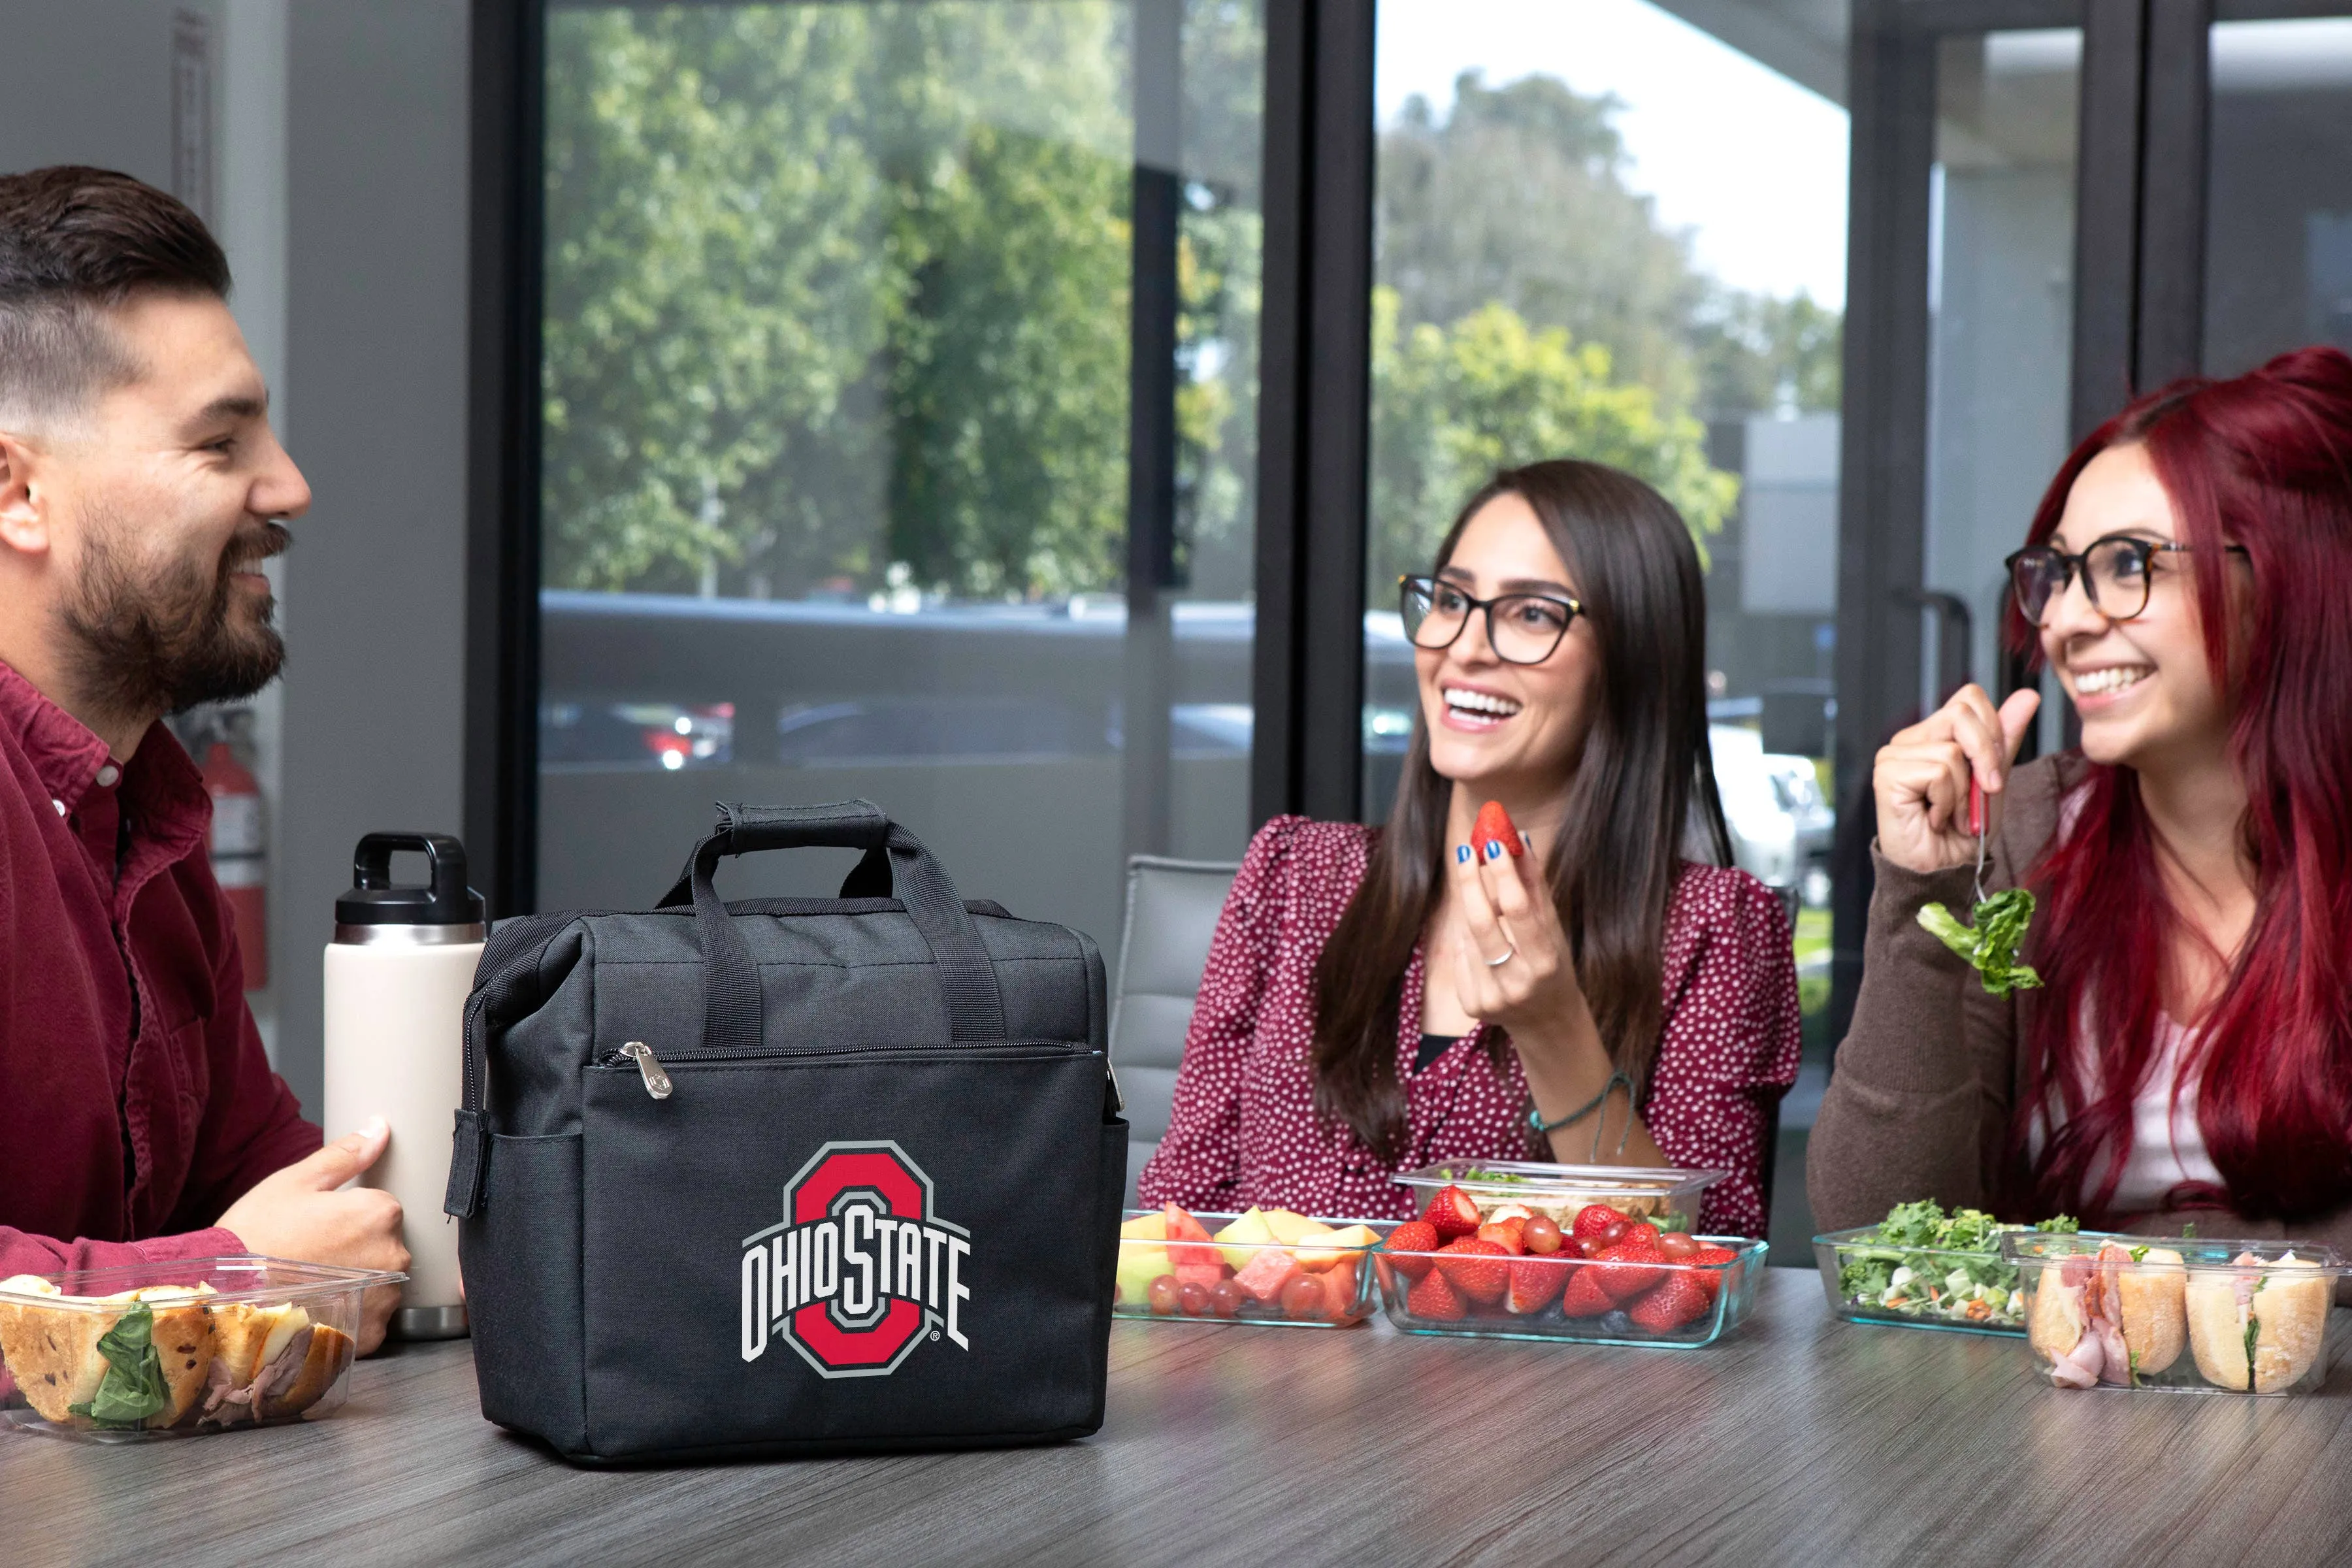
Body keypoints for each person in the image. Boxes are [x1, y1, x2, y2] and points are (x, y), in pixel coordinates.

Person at [1139, 461, 1803, 1236]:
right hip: (1280, 1358)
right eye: (1451, 600)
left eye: (1530, 614)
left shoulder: (1716, 932)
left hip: (1548, 1366)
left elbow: (1701, 1269)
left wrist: (1556, 1031)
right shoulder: (1294, 876)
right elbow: (1176, 1223)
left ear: (1632, 661)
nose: (1464, 648)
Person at [1810, 347, 2352, 1249]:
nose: (2059, 620)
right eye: (2056, 572)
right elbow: (1880, 1240)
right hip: (2042, 1386)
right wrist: (1920, 899)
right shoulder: (2019, 833)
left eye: (2127, 564)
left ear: (2286, 576)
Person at [0, 167, 406, 1349]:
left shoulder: (147, 812)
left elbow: (285, 1192)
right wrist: (239, 1275)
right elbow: (267, 1248)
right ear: (18, 490)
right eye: (221, 442)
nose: (288, 487)